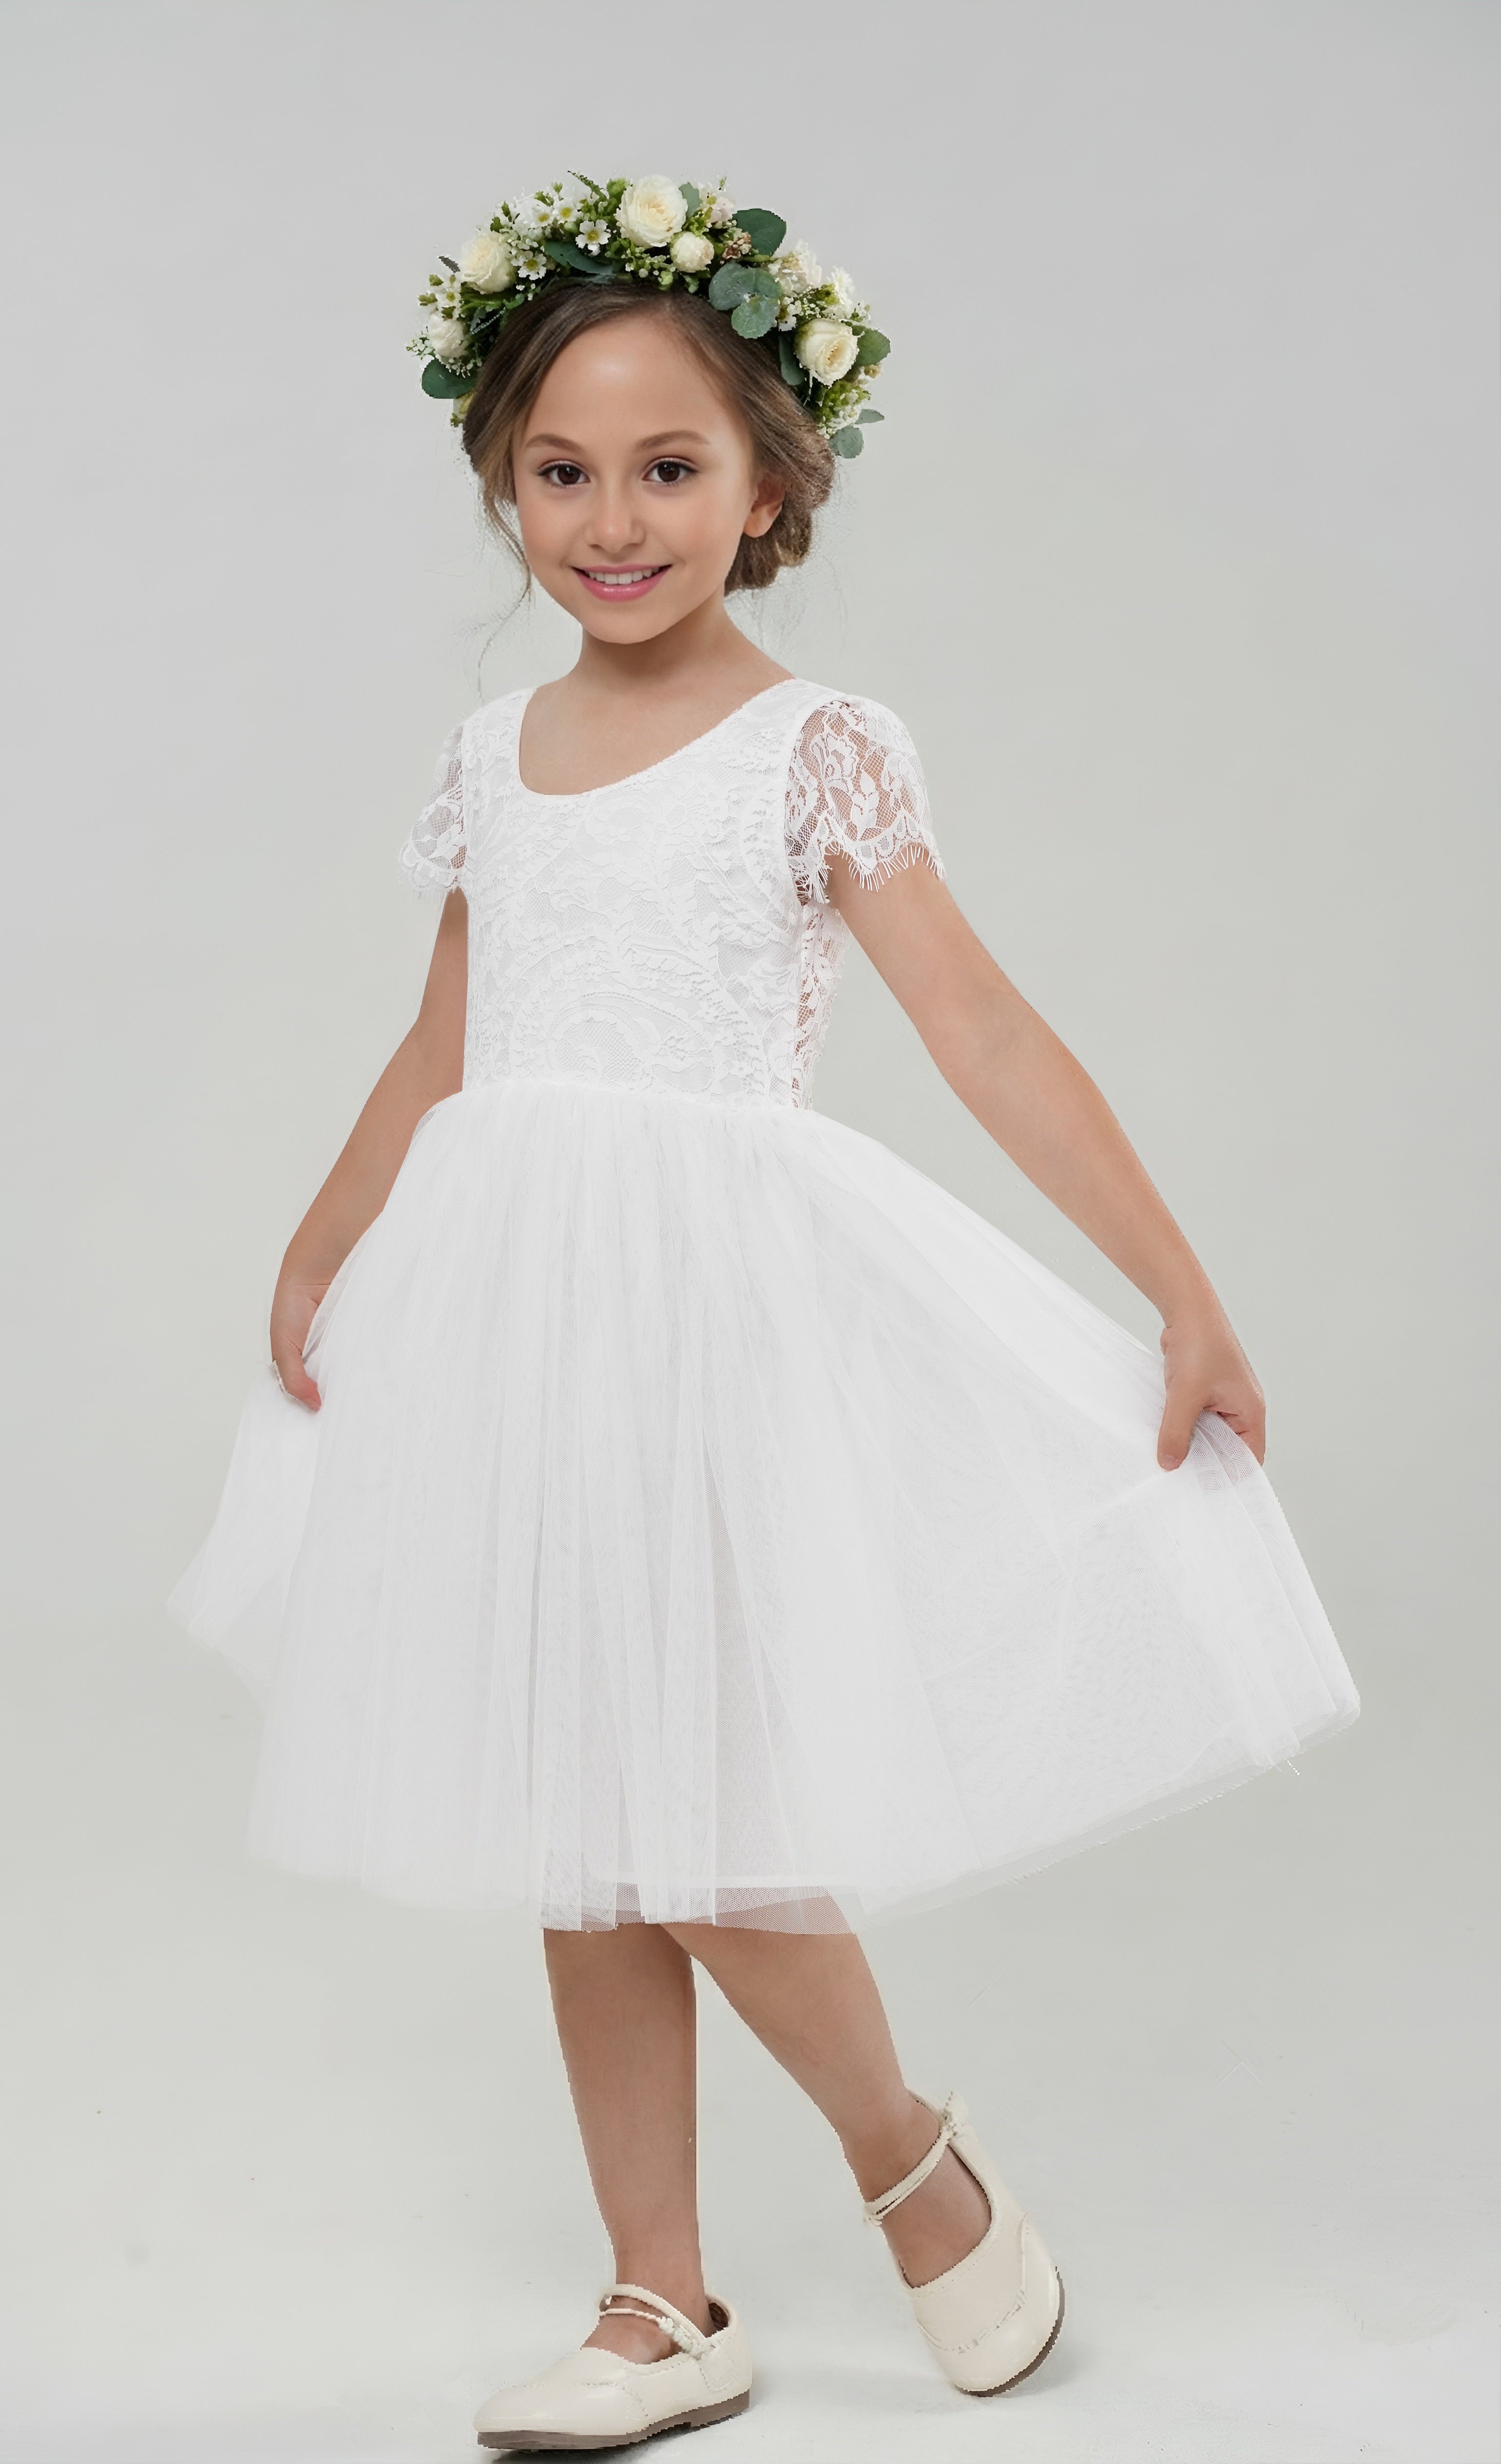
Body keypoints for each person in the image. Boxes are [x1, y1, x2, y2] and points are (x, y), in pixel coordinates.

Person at [169, 173, 1359, 2451]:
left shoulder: (811, 745)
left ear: (768, 485)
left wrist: (1178, 1287)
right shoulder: (493, 757)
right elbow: (446, 1039)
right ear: (501, 479)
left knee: (691, 1799)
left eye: (667, 468)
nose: (611, 522)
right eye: (561, 472)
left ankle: (909, 2162)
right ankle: (658, 2297)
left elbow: (979, 1024)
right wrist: (324, 1238)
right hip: (511, 1313)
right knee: (574, 1802)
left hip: (705, 1318)